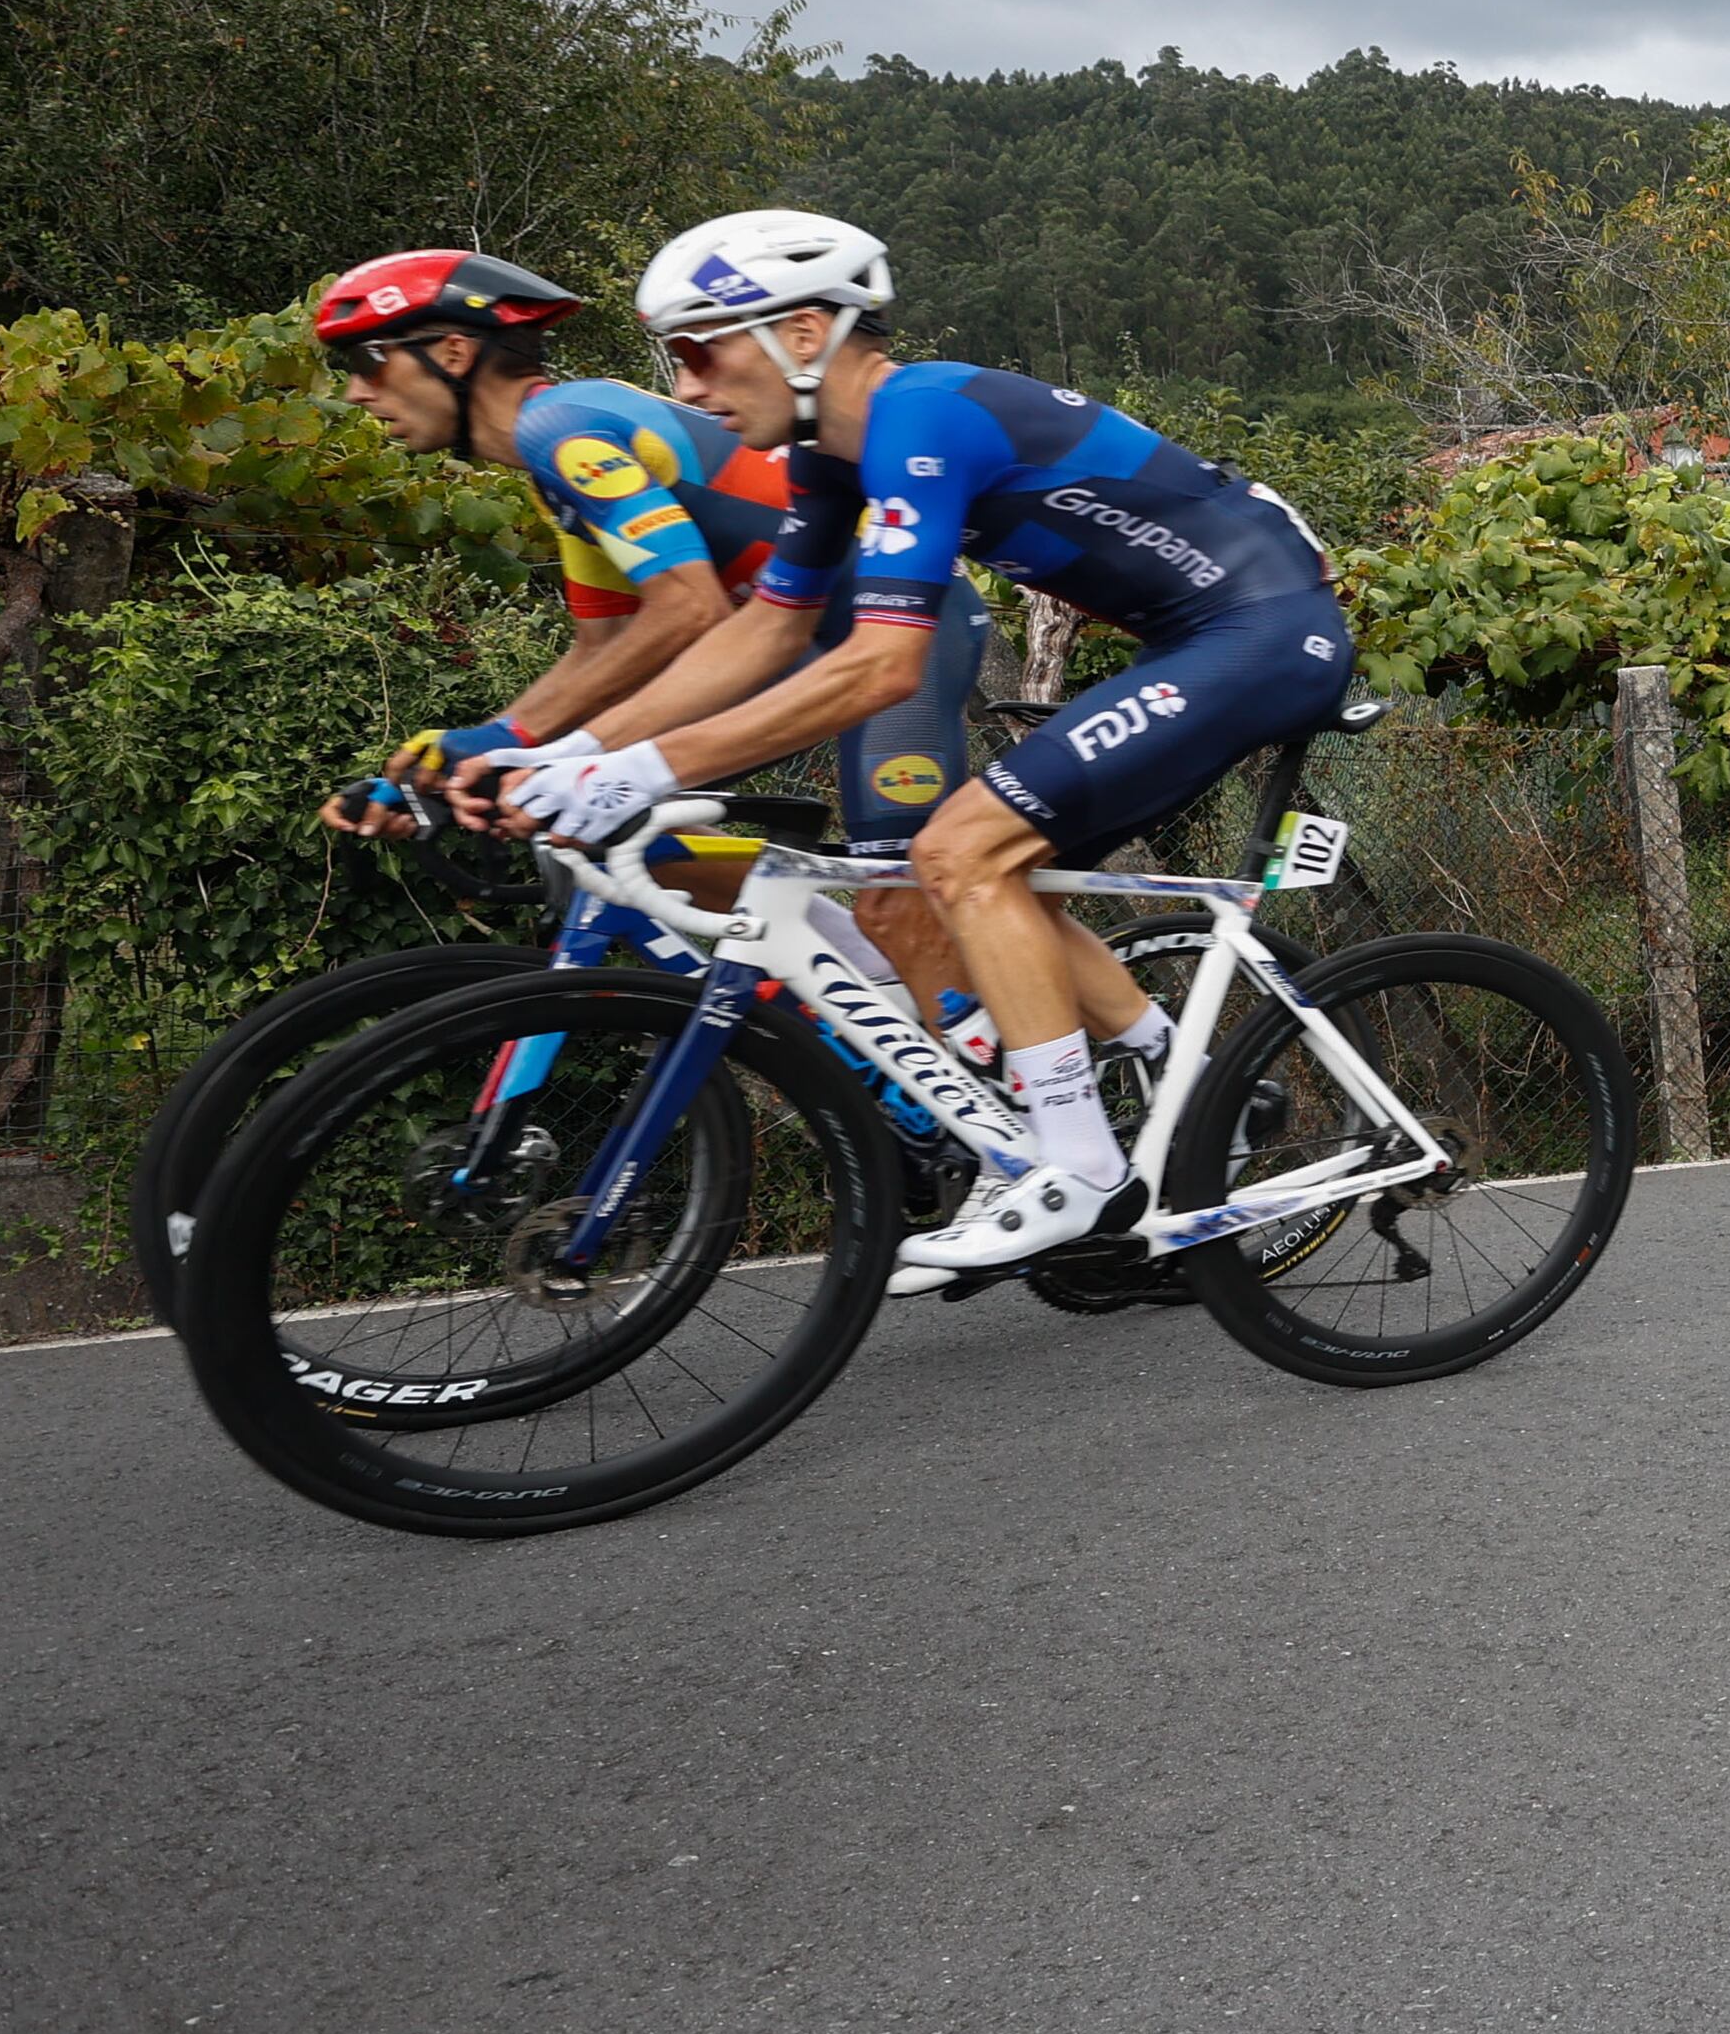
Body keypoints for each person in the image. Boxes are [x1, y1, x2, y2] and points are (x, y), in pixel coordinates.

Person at [459, 211, 1352, 1277]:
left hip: (1260, 631)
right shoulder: (829, 463)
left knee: (958, 850)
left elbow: (879, 666)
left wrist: (642, 770)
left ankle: (1074, 1167)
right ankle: (1200, 1086)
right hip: (1202, 634)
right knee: (997, 870)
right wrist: (575, 752)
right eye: (674, 361)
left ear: (801, 334)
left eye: (697, 350)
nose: (686, 388)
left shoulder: (921, 415)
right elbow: (768, 631)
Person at [307, 246, 988, 1003]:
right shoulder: (553, 469)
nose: (357, 392)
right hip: (793, 640)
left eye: (368, 363)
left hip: (900, 642)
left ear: (454, 351)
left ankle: (978, 1070)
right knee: (590, 815)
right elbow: (602, 648)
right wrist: (468, 757)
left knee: (900, 903)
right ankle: (861, 1009)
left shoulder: (564, 432)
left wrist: (505, 741)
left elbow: (688, 608)